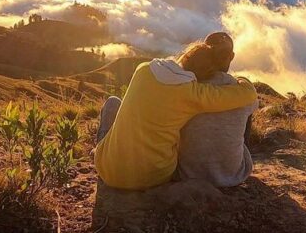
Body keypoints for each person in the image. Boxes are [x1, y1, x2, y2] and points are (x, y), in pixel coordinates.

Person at [94, 36, 257, 191]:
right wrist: (242, 79)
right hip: (155, 177)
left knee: (113, 103)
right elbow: (247, 95)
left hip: (108, 172)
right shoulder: (192, 93)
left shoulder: (143, 70)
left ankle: (99, 153)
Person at [176, 32, 258, 187]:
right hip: (232, 176)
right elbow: (254, 105)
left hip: (187, 173)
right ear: (231, 56)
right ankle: (230, 157)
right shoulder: (242, 92)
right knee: (247, 113)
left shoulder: (189, 87)